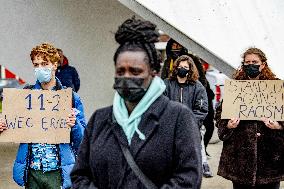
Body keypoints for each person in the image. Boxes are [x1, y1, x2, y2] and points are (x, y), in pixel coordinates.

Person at [71, 17, 202, 189]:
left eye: (135, 71)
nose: (126, 77)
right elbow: (80, 175)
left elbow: (189, 177)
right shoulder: (99, 119)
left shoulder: (178, 117)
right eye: (120, 71)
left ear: (153, 72)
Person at [0, 43, 86, 189]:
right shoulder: (25, 96)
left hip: (58, 173)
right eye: (36, 65)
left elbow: (83, 140)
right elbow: (15, 126)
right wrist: (3, 127)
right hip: (32, 173)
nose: (40, 68)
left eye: (44, 64)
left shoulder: (70, 98)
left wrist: (74, 125)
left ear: (54, 65)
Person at [215, 47, 284, 189]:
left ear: (263, 64)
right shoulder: (235, 88)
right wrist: (228, 125)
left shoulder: (275, 87)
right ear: (243, 65)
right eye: (247, 62)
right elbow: (219, 115)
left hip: (270, 160)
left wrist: (279, 126)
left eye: (255, 61)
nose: (251, 65)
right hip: (240, 159)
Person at [163, 55, 213, 178]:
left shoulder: (198, 86)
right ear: (175, 68)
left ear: (190, 69)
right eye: (180, 66)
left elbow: (201, 109)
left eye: (185, 67)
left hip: (191, 126)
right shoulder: (167, 84)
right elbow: (160, 104)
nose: (182, 69)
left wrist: (189, 124)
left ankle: (202, 163)